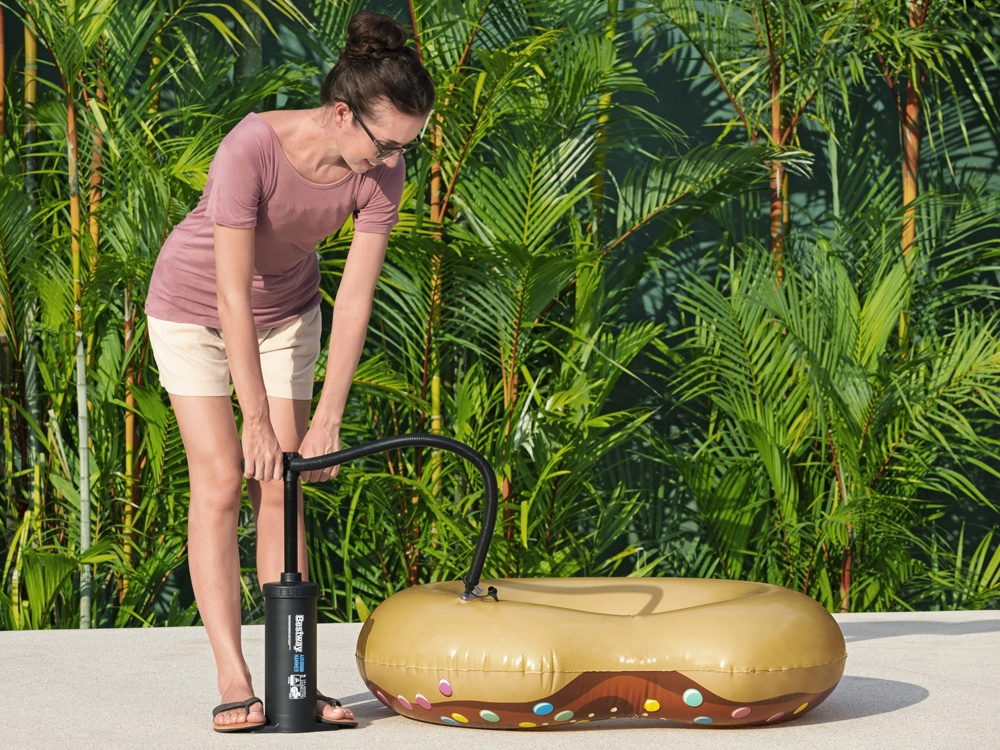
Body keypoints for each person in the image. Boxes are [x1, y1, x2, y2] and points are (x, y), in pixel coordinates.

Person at [143, 11, 435, 732]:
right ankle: (234, 676)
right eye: (387, 142)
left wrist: (329, 416)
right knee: (221, 480)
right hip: (193, 311)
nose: (395, 157)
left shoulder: (382, 172)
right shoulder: (251, 148)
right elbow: (230, 295)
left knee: (282, 485)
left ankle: (292, 677)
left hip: (288, 317)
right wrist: (256, 420)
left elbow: (356, 296)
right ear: (341, 114)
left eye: (408, 145)